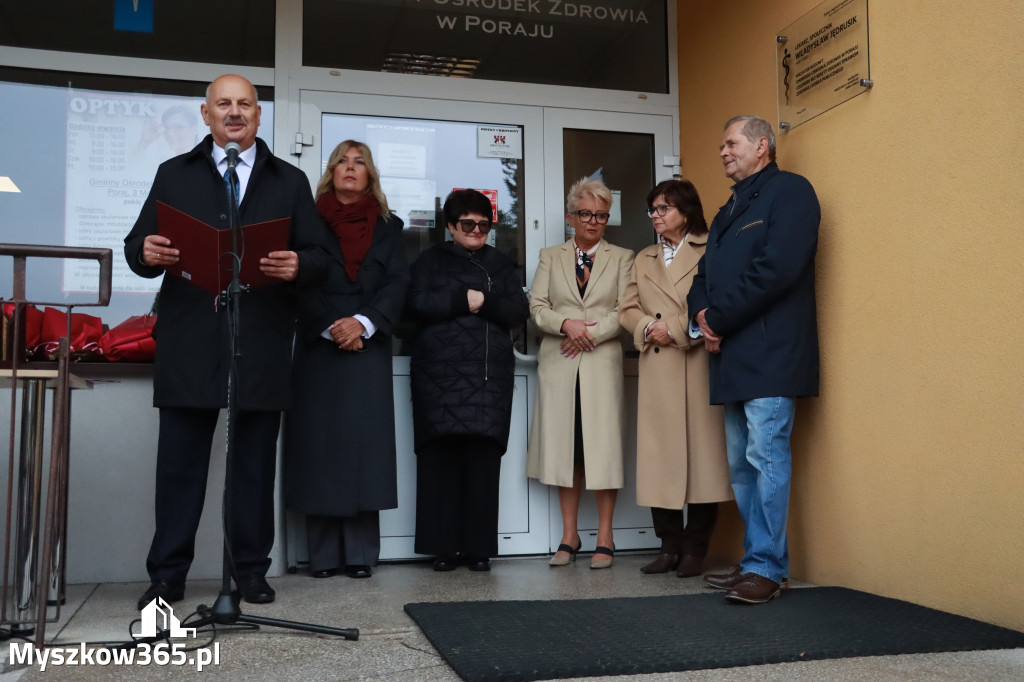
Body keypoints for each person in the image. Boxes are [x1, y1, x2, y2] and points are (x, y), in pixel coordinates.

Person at [124, 74, 330, 610]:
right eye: (224, 105)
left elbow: (321, 258)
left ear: (259, 116)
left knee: (254, 466)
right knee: (179, 466)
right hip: (190, 339)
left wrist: (298, 264)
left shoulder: (289, 180)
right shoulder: (174, 173)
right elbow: (135, 246)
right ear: (205, 114)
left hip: (259, 340)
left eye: (244, 104)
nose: (234, 113)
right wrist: (146, 253)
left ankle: (249, 572)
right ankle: (167, 575)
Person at [687, 115, 820, 604]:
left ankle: (767, 568)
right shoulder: (728, 211)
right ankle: (754, 561)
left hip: (770, 353)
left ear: (762, 145)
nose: (722, 151)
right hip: (730, 355)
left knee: (766, 458)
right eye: (721, 145)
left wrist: (717, 318)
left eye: (731, 143)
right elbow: (702, 275)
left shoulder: (791, 192)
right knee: (742, 467)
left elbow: (777, 269)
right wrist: (702, 313)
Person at [283, 141, 409, 580]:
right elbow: (296, 279)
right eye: (342, 161)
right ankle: (322, 557)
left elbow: (398, 283)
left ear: (370, 173)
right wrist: (332, 325)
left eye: (359, 162)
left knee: (363, 451)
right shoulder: (307, 220)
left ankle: (359, 555)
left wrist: (363, 323)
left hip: (368, 345)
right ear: (331, 171)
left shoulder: (391, 226)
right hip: (319, 347)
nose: (350, 168)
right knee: (320, 449)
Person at [407, 189, 529, 572]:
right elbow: (414, 306)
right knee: (439, 461)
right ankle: (442, 548)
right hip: (438, 376)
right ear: (450, 226)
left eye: (483, 224)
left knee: (481, 463)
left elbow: (517, 311)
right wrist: (465, 301)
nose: (476, 230)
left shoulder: (502, 264)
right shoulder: (428, 261)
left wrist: (484, 302)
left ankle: (477, 549)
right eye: (467, 224)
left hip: (487, 379)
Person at [619, 179, 734, 578]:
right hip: (657, 364)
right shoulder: (644, 257)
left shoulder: (712, 245)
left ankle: (695, 549)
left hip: (700, 361)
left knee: (704, 461)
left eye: (663, 208)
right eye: (652, 210)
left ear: (686, 211)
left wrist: (677, 329)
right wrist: (648, 329)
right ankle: (668, 547)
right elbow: (626, 307)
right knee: (659, 458)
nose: (655, 216)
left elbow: (719, 298)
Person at [526, 177, 634, 569]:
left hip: (601, 365)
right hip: (560, 365)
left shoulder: (623, 258)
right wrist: (565, 325)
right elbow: (537, 307)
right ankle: (569, 535)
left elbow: (624, 309)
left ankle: (606, 536)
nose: (593, 222)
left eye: (601, 216)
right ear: (571, 216)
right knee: (566, 452)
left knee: (601, 451)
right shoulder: (550, 255)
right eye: (585, 214)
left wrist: (587, 333)